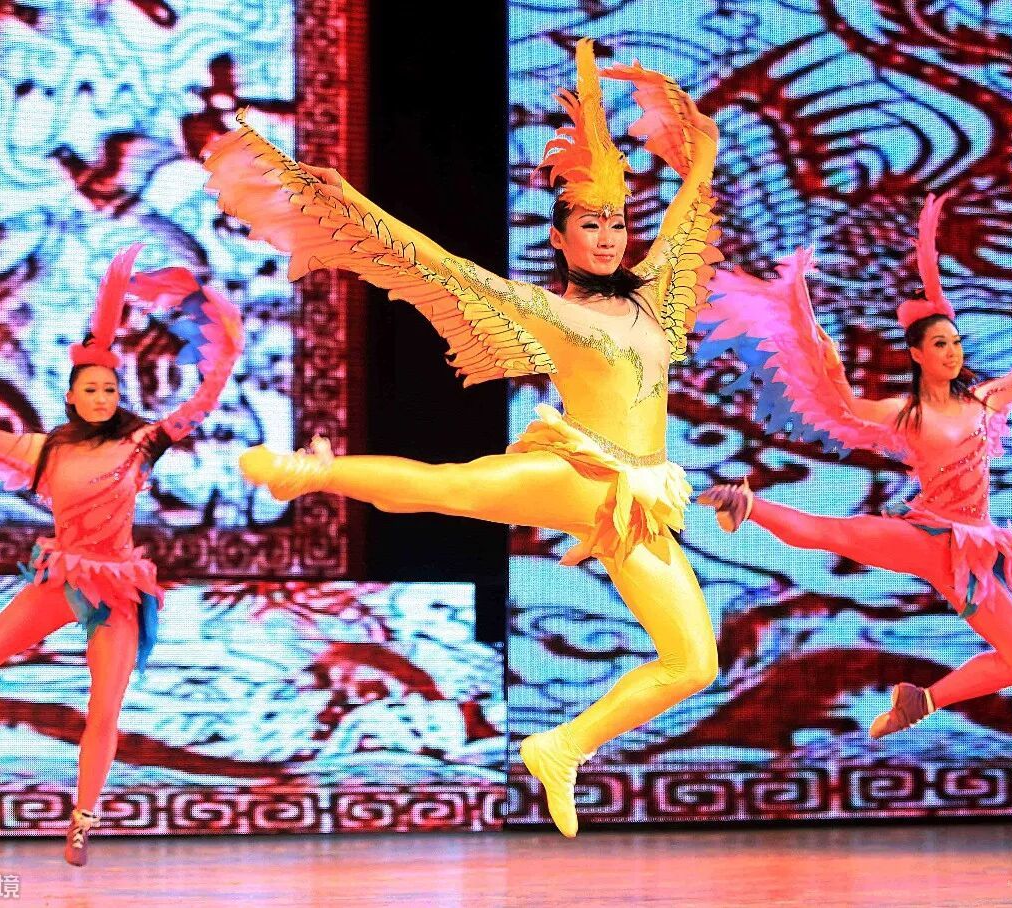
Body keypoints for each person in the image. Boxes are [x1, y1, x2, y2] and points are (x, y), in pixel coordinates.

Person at [202, 39, 722, 837]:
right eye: (590, 224)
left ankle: (562, 746)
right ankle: (309, 472)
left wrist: (702, 152)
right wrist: (355, 207)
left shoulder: (652, 297)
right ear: (561, 239)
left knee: (693, 662)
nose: (609, 236)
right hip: (580, 473)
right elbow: (439, 266)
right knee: (448, 487)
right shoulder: (554, 312)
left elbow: (690, 208)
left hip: (639, 503)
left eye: (617, 223)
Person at [697, 191, 1012, 738]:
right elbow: (846, 407)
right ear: (917, 354)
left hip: (974, 552)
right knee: (833, 534)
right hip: (925, 538)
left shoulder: (987, 400)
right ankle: (746, 504)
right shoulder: (904, 413)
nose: (952, 352)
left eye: (956, 343)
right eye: (940, 344)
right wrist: (826, 355)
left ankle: (921, 700)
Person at [0, 246, 243, 864]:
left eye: (110, 388)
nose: (102, 396)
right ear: (72, 397)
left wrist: (221, 341)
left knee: (104, 709)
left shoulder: (141, 443)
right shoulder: (45, 451)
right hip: (62, 578)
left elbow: (205, 397)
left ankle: (82, 821)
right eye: (91, 388)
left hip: (117, 592)